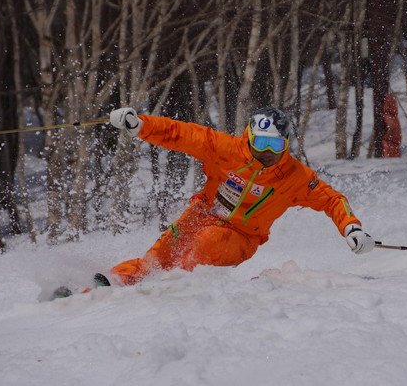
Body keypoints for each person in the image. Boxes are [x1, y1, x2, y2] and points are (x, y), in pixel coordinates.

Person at [106, 106, 374, 286]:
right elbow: (182, 134)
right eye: (261, 143)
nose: (267, 152)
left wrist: (351, 228)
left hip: (241, 237)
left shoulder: (294, 176)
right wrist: (141, 125)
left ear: (287, 143)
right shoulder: (227, 150)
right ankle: (111, 283)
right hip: (203, 214)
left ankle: (172, 287)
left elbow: (331, 199)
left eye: (275, 145)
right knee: (159, 257)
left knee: (207, 242)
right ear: (249, 137)